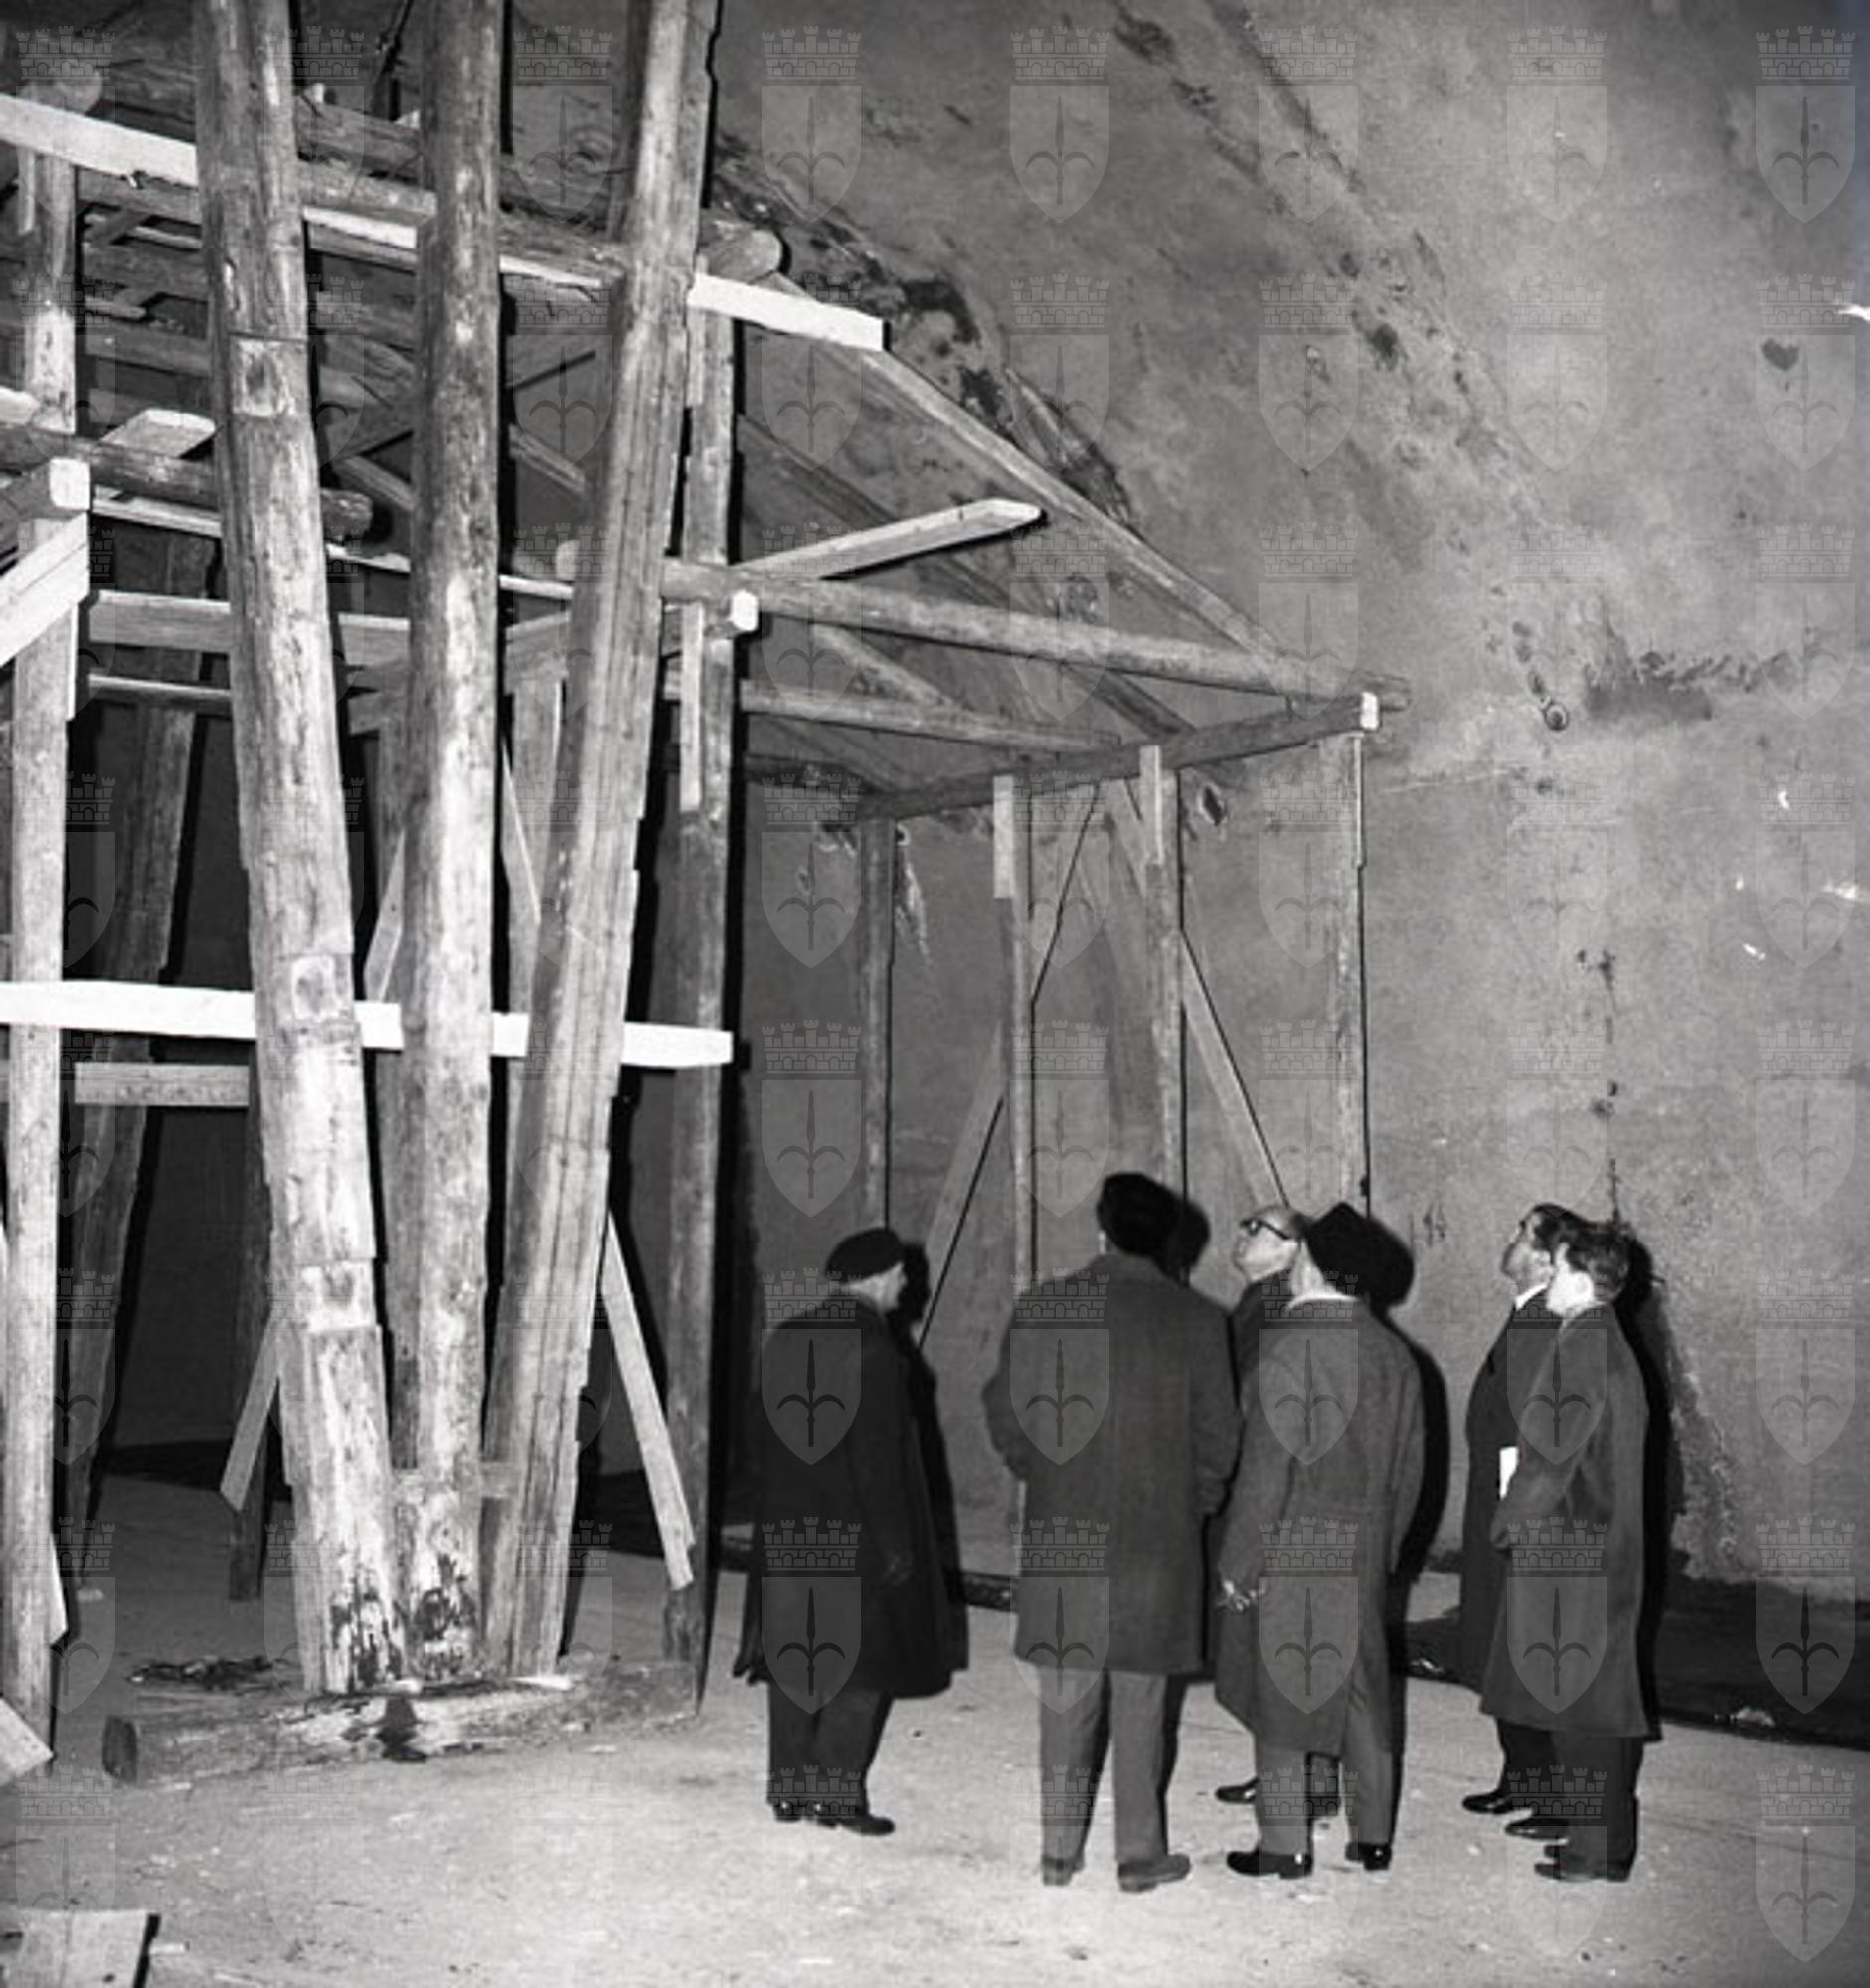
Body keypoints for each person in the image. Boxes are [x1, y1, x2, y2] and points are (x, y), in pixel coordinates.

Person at [983, 1173, 1238, 1893]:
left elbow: (1004, 1412)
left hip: (1065, 1524)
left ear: (1100, 1230)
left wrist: (1042, 1471)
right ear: (1167, 1242)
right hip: (1157, 1538)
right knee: (1142, 1700)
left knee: (1066, 1696)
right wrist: (1193, 1503)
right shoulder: (1198, 1320)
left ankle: (1058, 1853)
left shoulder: (1044, 1307)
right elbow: (1220, 1437)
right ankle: (1138, 1854)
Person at [1214, 1202, 1425, 1879]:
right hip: (1363, 1542)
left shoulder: (1291, 1346)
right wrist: (1384, 1552)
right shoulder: (1394, 1353)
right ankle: (1372, 1836)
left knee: (1285, 1691)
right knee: (1362, 1689)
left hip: (1295, 1540)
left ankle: (1285, 1844)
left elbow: (1265, 1471)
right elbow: (1410, 1471)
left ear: (1308, 1265)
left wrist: (1240, 1563)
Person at [733, 1227, 953, 1835]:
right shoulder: (876, 1350)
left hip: (788, 1523)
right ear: (877, 1278)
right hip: (853, 1529)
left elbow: (756, 1433)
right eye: (900, 1274)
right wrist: (896, 1546)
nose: (905, 1284)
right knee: (860, 1667)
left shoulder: (787, 1336)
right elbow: (880, 1463)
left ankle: (788, 1790)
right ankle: (834, 1795)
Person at [1483, 1221, 1653, 1883]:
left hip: (1571, 1550)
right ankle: (1604, 1844)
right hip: (1604, 1545)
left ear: (1581, 1280)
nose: (1547, 1279)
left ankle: (1592, 1852)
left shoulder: (1580, 1347)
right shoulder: (1606, 1340)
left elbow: (1548, 1461)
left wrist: (1506, 1525)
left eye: (1554, 1268)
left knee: (1578, 1712)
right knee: (1598, 1706)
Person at [1212, 1205, 1339, 1819]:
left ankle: (1302, 1779)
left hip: (1272, 1491)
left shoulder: (1277, 1312)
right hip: (1265, 1486)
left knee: (1277, 1639)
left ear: (1293, 1251)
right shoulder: (1257, 1303)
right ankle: (1297, 1774)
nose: (1242, 1234)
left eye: (1257, 1228)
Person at [1457, 1205, 1574, 1826]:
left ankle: (1550, 1789)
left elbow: (1535, 1437)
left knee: (1524, 1645)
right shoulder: (1526, 1316)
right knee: (1504, 1643)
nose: (1509, 1238)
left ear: (1546, 1260)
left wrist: (1517, 1518)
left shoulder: (1543, 1325)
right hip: (1502, 1504)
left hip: (1518, 1514)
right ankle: (1522, 1774)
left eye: (1521, 1232)